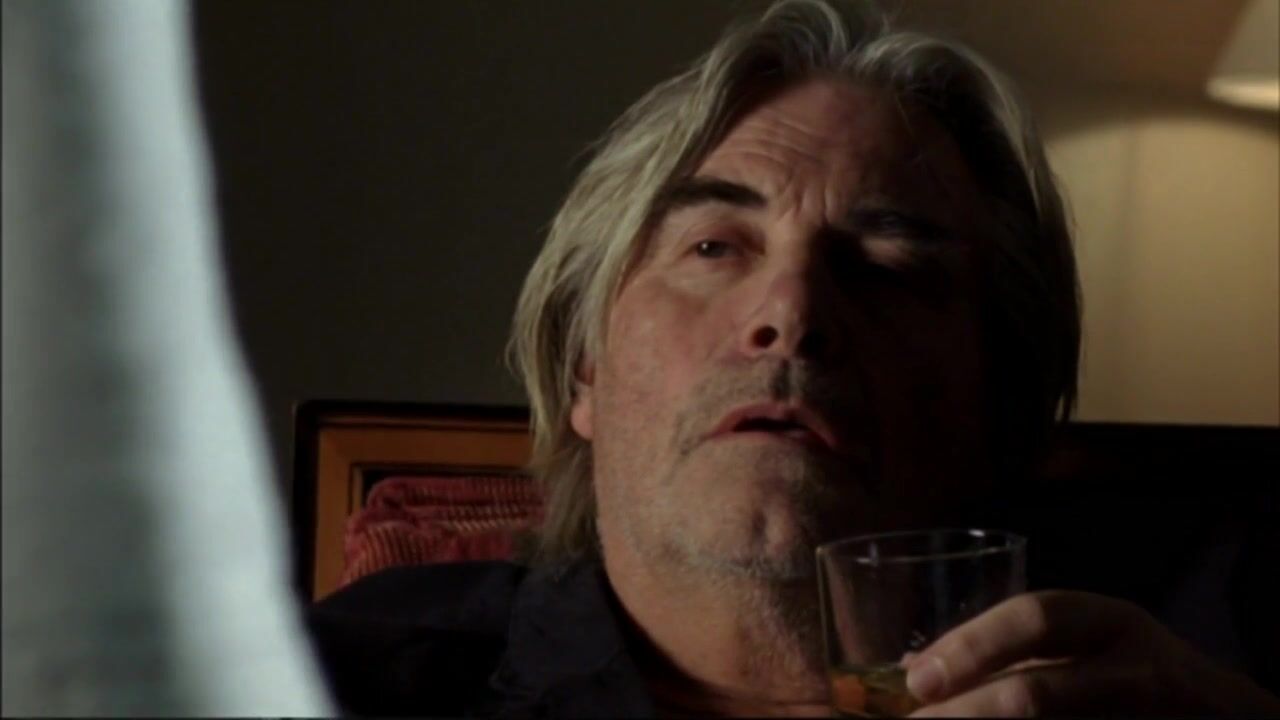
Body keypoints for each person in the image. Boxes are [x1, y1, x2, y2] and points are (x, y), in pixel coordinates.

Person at [306, 0, 1280, 715]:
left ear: (999, 396)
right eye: (712, 248)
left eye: (888, 268)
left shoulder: (1201, 653)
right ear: (584, 372)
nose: (792, 312)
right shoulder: (332, 682)